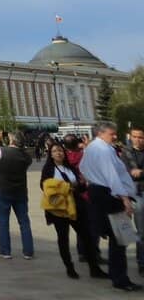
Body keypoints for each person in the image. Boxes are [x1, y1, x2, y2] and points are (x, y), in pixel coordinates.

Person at [80, 120, 142, 291]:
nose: (115, 136)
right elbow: (112, 176)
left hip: (98, 193)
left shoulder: (91, 148)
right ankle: (120, 278)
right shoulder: (104, 150)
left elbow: (82, 168)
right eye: (111, 133)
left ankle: (115, 274)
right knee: (120, 237)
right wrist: (125, 199)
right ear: (100, 133)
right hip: (110, 196)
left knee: (112, 235)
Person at [40, 142, 102, 279]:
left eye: (61, 150)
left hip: (76, 207)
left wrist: (82, 184)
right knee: (63, 239)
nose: (59, 153)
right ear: (50, 154)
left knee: (87, 237)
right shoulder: (48, 169)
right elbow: (45, 187)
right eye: (55, 151)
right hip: (59, 210)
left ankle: (94, 268)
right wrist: (67, 187)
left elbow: (80, 188)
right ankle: (69, 267)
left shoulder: (71, 168)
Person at [0, 130, 34, 259]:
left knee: (3, 222)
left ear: (12, 140)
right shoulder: (27, 157)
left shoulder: (1, 152)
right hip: (20, 192)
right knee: (24, 222)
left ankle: (5, 250)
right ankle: (28, 251)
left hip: (4, 191)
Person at [123, 126, 144, 277]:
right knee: (142, 231)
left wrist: (139, 172)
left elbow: (137, 172)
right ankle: (142, 262)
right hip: (137, 194)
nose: (138, 139)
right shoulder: (126, 152)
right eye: (135, 136)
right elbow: (131, 172)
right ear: (130, 137)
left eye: (141, 137)